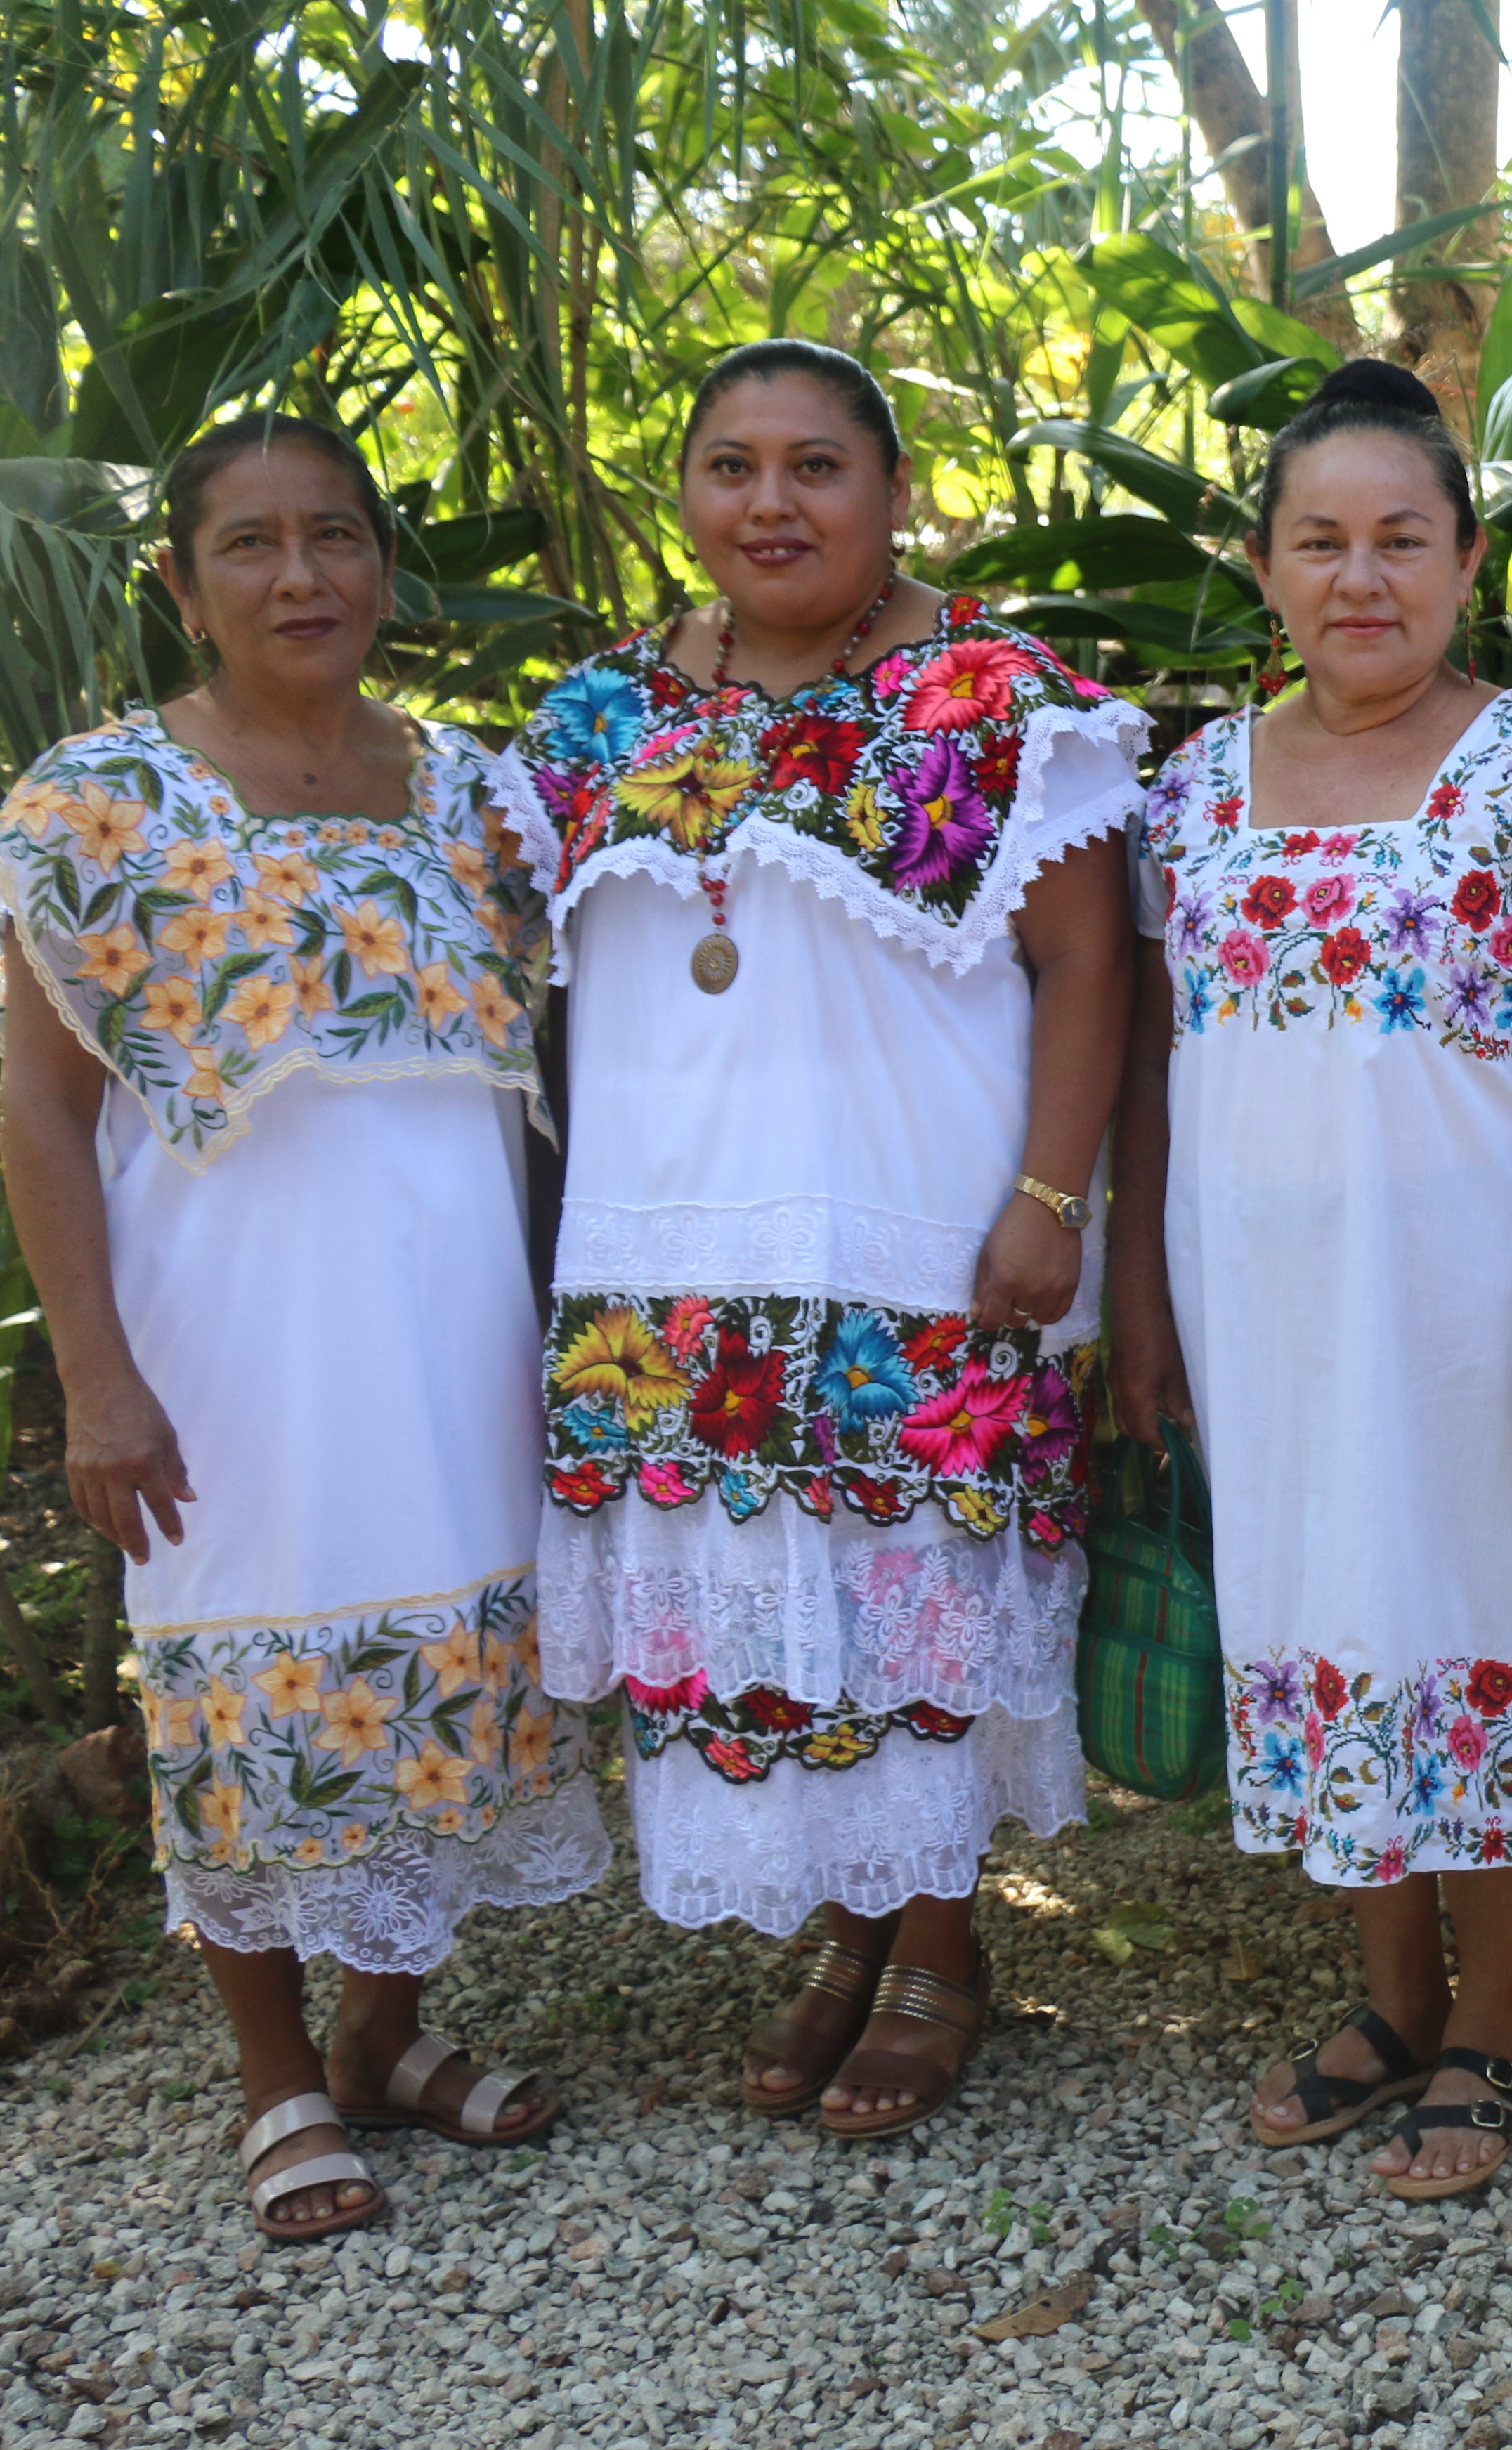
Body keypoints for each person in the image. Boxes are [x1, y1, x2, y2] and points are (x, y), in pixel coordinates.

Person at [0, 416, 608, 2242]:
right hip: (221, 1356)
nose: (302, 576)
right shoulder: (96, 806)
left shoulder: (486, 798)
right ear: (178, 579)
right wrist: (95, 1372)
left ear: (386, 567)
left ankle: (391, 2034)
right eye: (250, 543)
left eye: (336, 537)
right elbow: (38, 1110)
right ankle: (277, 2078)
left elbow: (559, 1077)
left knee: (463, 1695)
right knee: (235, 1686)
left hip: (458, 1340)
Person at [507, 340, 1142, 2136]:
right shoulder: (593, 722)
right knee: (777, 1621)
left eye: (815, 467)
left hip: (924, 1235)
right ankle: (851, 1942)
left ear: (893, 490)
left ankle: (940, 1950)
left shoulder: (1000, 700)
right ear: (684, 491)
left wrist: (1049, 1202)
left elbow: (1093, 961)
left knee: (903, 1606)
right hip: (671, 1245)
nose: (768, 503)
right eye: (729, 466)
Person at [1111, 359, 1512, 2205]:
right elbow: (1148, 1065)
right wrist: (1141, 1302)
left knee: (1477, 1621)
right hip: (1264, 1316)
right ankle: (1388, 1998)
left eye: (1401, 540)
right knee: (1317, 1616)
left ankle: (1494, 2028)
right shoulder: (1191, 788)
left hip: (1474, 1319)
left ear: (1467, 557)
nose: (1362, 578)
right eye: (1320, 542)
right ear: (1264, 568)